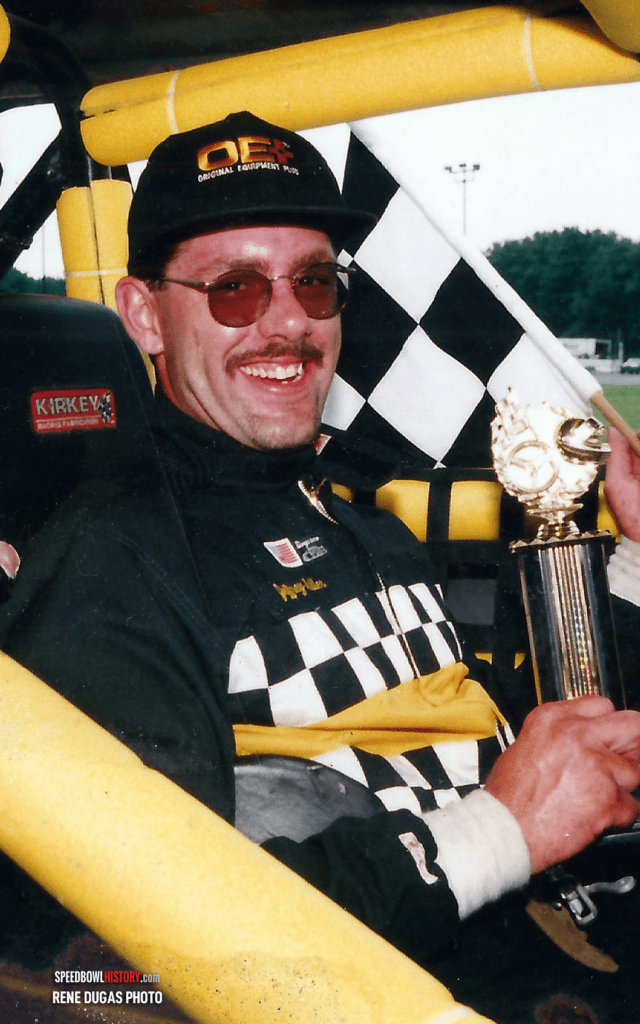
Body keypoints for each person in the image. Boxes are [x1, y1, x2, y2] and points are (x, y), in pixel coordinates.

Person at [2, 110, 640, 1022]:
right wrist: (499, 831)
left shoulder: (364, 521)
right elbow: (99, 972)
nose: (288, 323)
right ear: (144, 315)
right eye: (234, 289)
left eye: (314, 282)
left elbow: (515, 737)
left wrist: (634, 554)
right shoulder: (114, 563)